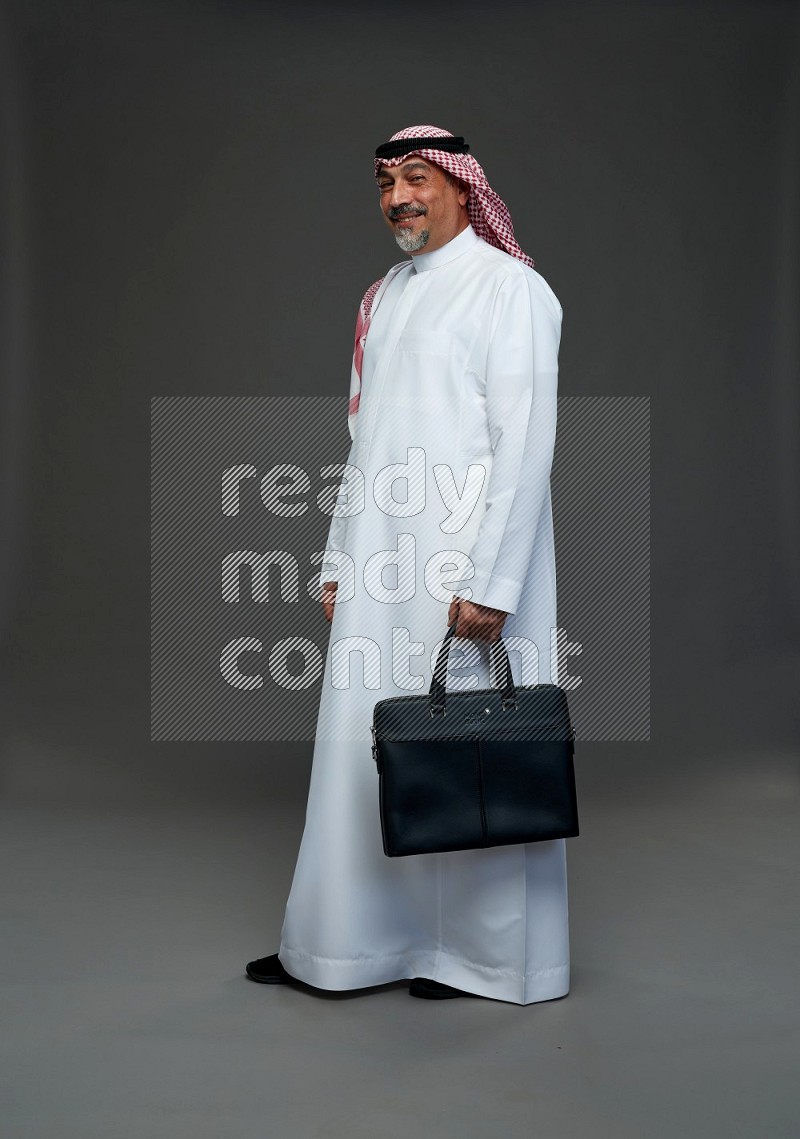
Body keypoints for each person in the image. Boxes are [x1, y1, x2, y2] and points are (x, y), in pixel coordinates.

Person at [246, 124, 567, 1003]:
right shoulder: (382, 297)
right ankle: (347, 947)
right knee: (364, 750)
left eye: (417, 178)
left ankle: (482, 960)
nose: (399, 198)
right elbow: (366, 443)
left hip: (465, 568)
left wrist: (494, 584)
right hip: (381, 562)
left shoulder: (512, 291)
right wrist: (339, 556)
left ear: (466, 188)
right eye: (386, 182)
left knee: (472, 754)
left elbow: (526, 442)